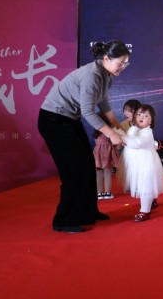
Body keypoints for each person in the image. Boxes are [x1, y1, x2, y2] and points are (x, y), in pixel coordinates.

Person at [38, 40, 130, 233]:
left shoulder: (107, 76)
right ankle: (64, 220)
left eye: (125, 63)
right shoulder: (91, 75)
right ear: (107, 58)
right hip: (54, 120)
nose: (123, 67)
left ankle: (88, 212)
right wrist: (112, 135)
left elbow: (104, 107)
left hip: (70, 119)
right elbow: (88, 112)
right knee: (75, 170)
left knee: (88, 166)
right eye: (120, 63)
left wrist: (121, 129)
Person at [117, 104, 163, 222]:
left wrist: (123, 138)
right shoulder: (133, 129)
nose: (141, 117)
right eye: (138, 114)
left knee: (145, 185)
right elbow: (129, 138)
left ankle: (145, 211)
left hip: (145, 163)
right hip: (135, 164)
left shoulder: (147, 132)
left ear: (151, 121)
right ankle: (151, 201)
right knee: (140, 184)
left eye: (146, 115)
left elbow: (136, 143)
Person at [93, 113, 119, 200]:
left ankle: (99, 193)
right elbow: (114, 143)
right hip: (107, 153)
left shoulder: (96, 132)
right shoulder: (109, 131)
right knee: (107, 173)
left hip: (97, 153)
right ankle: (107, 192)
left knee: (99, 174)